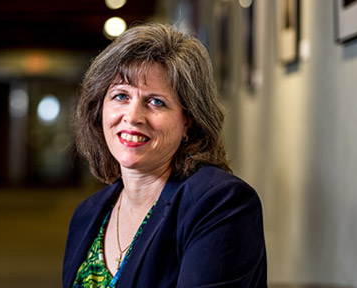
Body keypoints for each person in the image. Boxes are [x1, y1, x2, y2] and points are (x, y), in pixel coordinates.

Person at [63, 23, 267, 288]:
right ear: (99, 108)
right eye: (121, 96)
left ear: (188, 121)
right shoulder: (86, 215)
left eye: (156, 102)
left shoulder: (221, 204)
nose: (133, 117)